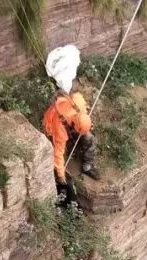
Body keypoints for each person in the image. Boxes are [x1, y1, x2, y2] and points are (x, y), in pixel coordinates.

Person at [43, 45, 100, 207]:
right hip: (52, 125)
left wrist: (84, 129)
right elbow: (58, 155)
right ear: (74, 125)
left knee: (89, 138)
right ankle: (64, 181)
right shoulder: (60, 129)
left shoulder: (79, 105)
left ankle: (87, 165)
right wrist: (60, 176)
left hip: (70, 122)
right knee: (61, 149)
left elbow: (78, 99)